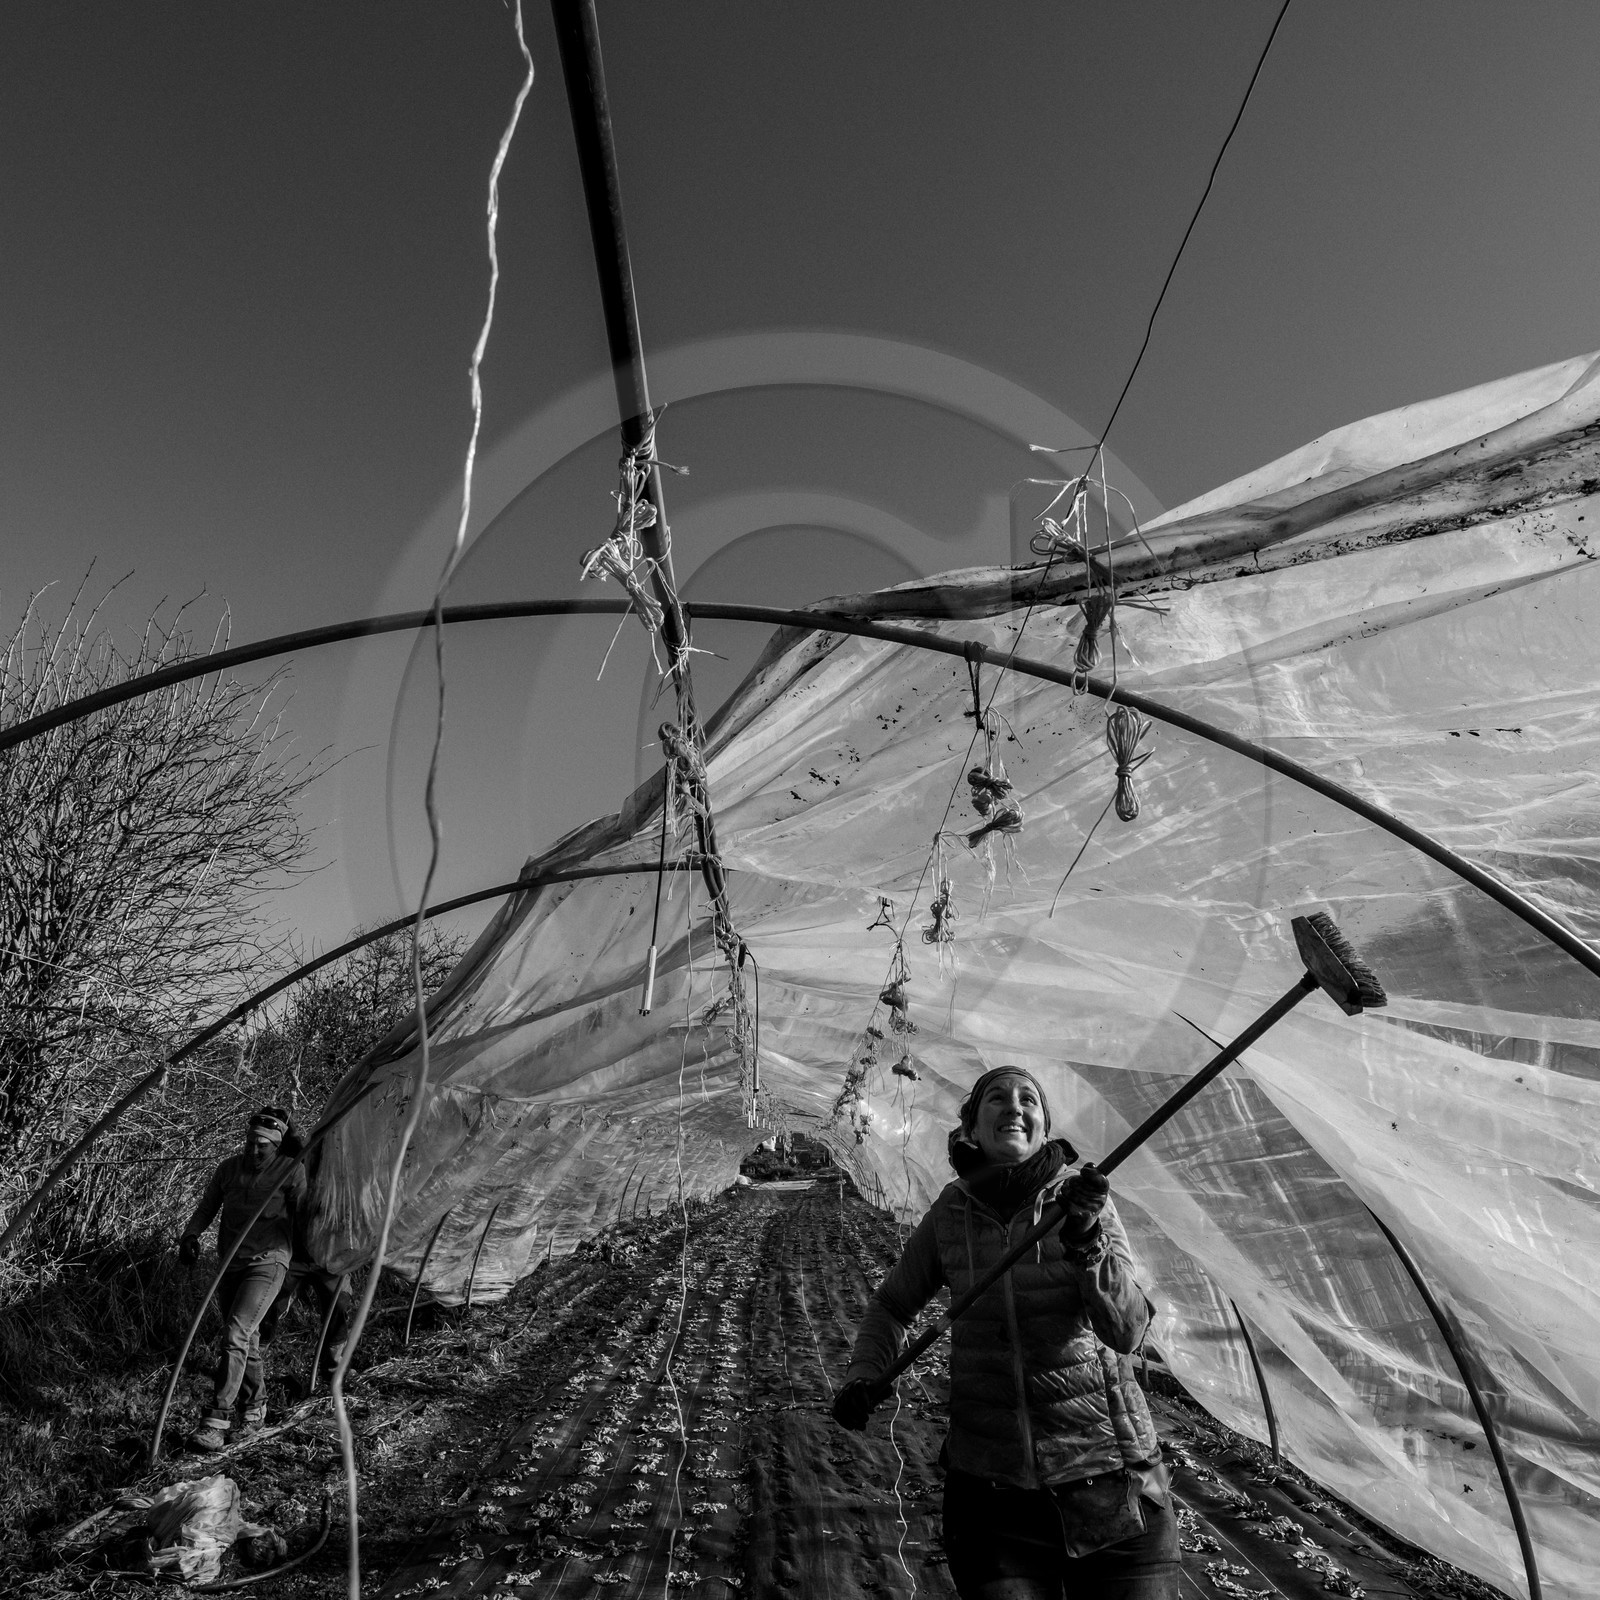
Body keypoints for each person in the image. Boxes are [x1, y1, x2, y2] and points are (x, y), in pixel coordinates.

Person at [831, 1066, 1179, 1600]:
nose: (1014, 1107)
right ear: (971, 1126)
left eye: (1028, 1100)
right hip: (993, 1495)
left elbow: (1128, 1330)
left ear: (1043, 1127)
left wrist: (1085, 1241)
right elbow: (893, 1305)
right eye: (996, 1098)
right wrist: (866, 1373)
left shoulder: (1084, 1203)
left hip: (1111, 1482)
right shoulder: (953, 1210)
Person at [178, 1106, 307, 1452]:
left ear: (276, 1145)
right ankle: (254, 1411)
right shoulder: (229, 1169)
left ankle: (215, 1421)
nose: (253, 1150)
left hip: (269, 1263)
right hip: (231, 1264)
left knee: (234, 1333)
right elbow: (207, 1207)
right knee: (245, 1341)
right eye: (250, 1142)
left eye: (262, 1145)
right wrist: (190, 1235)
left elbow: (307, 1216)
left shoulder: (291, 1171)